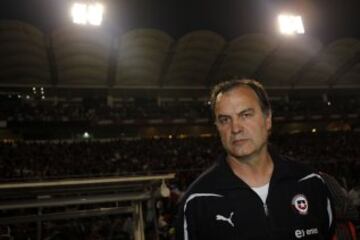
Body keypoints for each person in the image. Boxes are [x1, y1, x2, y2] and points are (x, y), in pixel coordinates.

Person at [175, 79, 335, 240]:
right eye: (225, 120)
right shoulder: (197, 201)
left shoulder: (311, 182)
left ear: (267, 119)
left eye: (245, 115)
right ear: (217, 127)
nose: (235, 128)